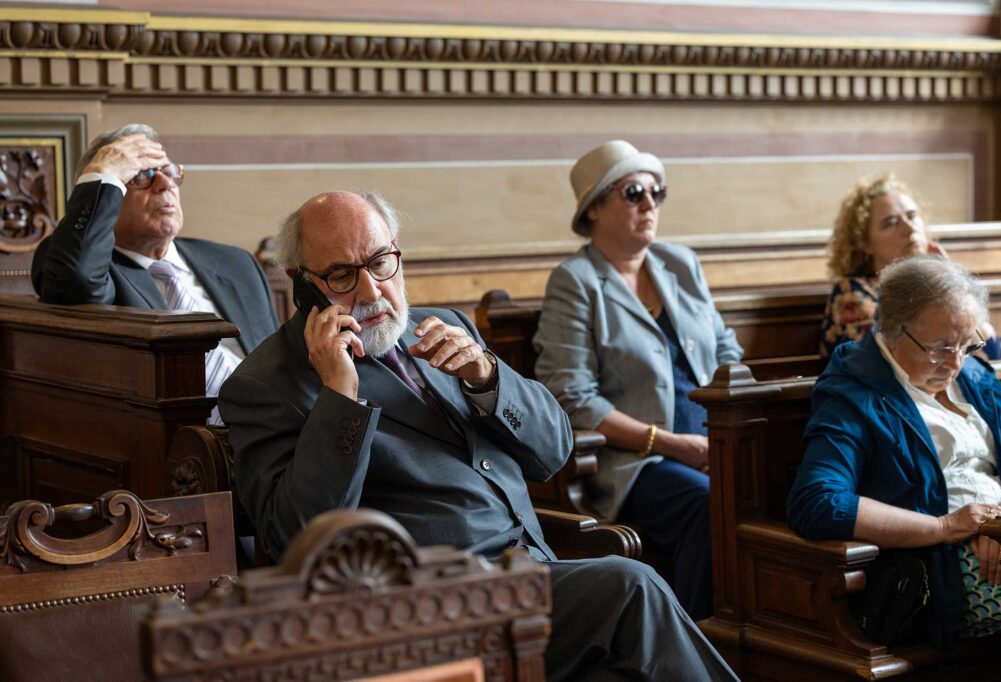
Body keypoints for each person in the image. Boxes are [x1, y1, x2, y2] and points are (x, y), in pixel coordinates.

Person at [219, 190, 739, 682]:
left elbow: (554, 452)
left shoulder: (441, 325)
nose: (372, 291)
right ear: (303, 285)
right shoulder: (265, 384)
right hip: (426, 612)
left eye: (380, 262)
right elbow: (294, 539)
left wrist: (489, 379)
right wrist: (339, 396)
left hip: (533, 574)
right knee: (632, 586)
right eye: (341, 275)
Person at [532, 140, 743, 620]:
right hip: (634, 462)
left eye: (656, 192)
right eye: (633, 193)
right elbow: (572, 398)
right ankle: (690, 640)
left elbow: (727, 351)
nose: (650, 204)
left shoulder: (680, 263)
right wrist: (674, 445)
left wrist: (732, 430)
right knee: (709, 503)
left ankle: (759, 633)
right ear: (593, 209)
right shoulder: (576, 281)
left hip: (715, 444)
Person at [789, 255, 1001, 646]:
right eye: (940, 348)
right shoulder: (854, 392)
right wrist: (944, 527)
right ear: (894, 330)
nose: (956, 363)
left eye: (967, 344)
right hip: (941, 572)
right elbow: (818, 502)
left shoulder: (975, 377)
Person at [31, 123, 279, 422]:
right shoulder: (90, 269)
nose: (165, 184)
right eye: (142, 175)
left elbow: (283, 364)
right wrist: (101, 175)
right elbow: (76, 279)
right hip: (180, 440)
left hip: (278, 429)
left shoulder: (234, 262)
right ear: (110, 194)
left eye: (169, 171)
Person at [820, 174, 1001, 360]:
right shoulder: (852, 294)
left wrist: (951, 282)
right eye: (891, 222)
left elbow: (991, 352)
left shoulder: (932, 287)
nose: (909, 228)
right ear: (864, 243)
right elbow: (895, 360)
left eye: (912, 216)